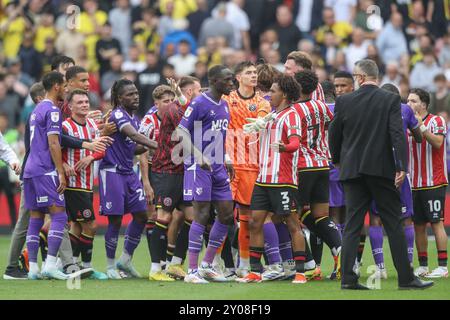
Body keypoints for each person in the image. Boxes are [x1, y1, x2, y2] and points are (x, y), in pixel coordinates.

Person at [329, 59, 432, 290]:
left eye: (356, 77)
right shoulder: (390, 99)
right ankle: (406, 279)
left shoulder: (344, 101)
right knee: (393, 222)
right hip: (381, 169)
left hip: (352, 170)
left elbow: (334, 133)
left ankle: (347, 279)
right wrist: (401, 166)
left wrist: (337, 160)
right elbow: (397, 134)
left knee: (353, 224)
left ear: (361, 77)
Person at [237, 74, 307, 284]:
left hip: (283, 180)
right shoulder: (273, 114)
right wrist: (258, 126)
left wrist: (285, 147)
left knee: (293, 224)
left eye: (273, 91)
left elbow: (296, 142)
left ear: (284, 94)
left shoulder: (292, 115)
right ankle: (255, 272)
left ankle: (301, 273)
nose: (269, 95)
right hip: (263, 179)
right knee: (255, 222)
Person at [176, 65, 235, 284]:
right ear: (215, 81)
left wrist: (227, 158)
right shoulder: (199, 102)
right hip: (199, 165)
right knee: (201, 214)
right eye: (228, 80)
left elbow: (220, 135)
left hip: (218, 165)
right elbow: (181, 131)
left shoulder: (225, 105)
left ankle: (206, 265)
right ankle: (191, 271)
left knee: (227, 215)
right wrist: (198, 155)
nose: (231, 84)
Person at [99, 79, 158, 279]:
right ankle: (109, 267)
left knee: (142, 215)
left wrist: (151, 145)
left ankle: (124, 260)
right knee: (115, 220)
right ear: (119, 98)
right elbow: (133, 136)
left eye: (136, 93)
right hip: (112, 172)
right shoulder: (117, 115)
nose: (135, 96)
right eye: (130, 94)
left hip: (128, 172)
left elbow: (134, 147)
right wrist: (159, 145)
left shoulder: (134, 118)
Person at [23, 71, 76, 280]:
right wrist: (61, 172)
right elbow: (54, 142)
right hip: (45, 169)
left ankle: (34, 268)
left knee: (36, 217)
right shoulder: (53, 110)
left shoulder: (36, 109)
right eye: (64, 85)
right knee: (59, 215)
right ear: (56, 86)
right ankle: (51, 265)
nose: (66, 89)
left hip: (30, 170)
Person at [367, 83, 423, 280]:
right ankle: (407, 264)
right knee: (405, 218)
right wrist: (413, 124)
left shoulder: (371, 110)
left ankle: (380, 267)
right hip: (400, 172)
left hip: (376, 172)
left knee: (376, 218)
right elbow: (418, 138)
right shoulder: (405, 110)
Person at [222, 61, 271, 278]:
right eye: (248, 73)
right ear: (238, 77)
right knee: (222, 216)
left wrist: (260, 122)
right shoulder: (226, 99)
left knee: (247, 217)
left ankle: (243, 263)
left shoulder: (262, 101)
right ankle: (214, 263)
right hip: (228, 164)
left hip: (251, 165)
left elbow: (262, 119)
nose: (253, 75)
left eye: (255, 72)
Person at [292, 70, 341, 281]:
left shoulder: (294, 110)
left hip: (302, 167)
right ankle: (340, 249)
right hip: (322, 165)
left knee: (291, 217)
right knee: (321, 215)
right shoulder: (322, 106)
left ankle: (309, 265)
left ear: (299, 88)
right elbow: (333, 125)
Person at [61, 89, 108, 280]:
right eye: (79, 102)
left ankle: (71, 265)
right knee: (91, 225)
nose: (84, 105)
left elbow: (102, 148)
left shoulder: (92, 125)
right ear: (70, 106)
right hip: (73, 183)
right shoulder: (65, 126)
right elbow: (54, 149)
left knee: (77, 227)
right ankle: (86, 266)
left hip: (87, 182)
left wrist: (90, 157)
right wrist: (64, 165)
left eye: (86, 102)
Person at [407, 88, 449, 279]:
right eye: (407, 101)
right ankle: (423, 265)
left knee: (436, 223)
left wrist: (422, 127)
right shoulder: (406, 123)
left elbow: (438, 143)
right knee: (418, 225)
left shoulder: (437, 121)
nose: (409, 104)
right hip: (414, 183)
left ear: (423, 104)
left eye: (413, 101)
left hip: (434, 181)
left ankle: (442, 266)